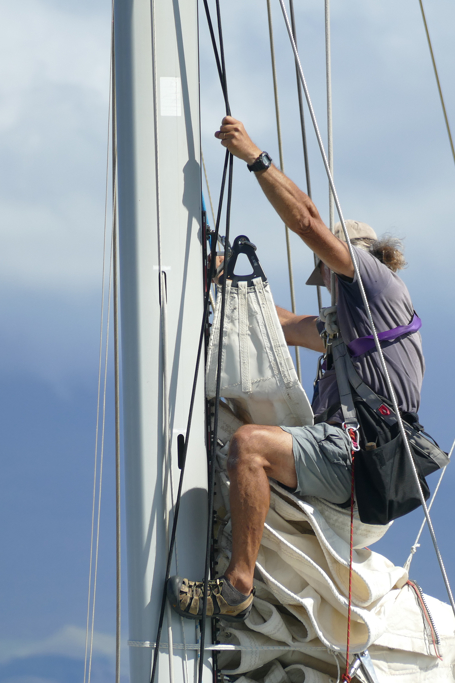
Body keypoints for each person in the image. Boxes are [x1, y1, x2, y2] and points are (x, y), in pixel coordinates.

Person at [169, 116, 424, 622]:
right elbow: (277, 325)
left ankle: (237, 587)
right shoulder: (347, 322)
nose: (322, 276)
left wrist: (254, 156)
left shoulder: (373, 285)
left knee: (249, 446)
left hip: (361, 463)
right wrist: (219, 276)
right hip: (363, 475)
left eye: (325, 266)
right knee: (235, 436)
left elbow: (306, 220)